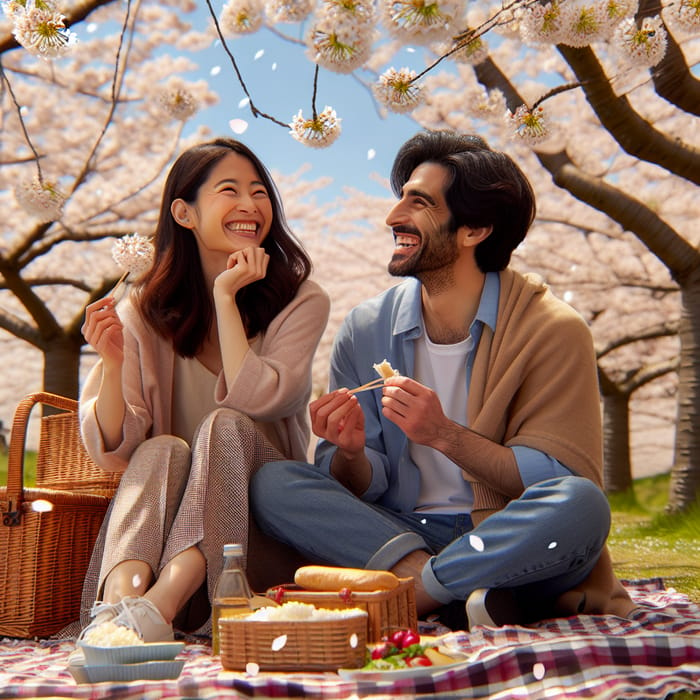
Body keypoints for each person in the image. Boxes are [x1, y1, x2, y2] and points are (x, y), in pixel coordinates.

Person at [251, 130, 636, 629]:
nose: (393, 218)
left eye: (419, 203)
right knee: (274, 483)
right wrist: (349, 453)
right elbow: (358, 487)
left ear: (474, 229)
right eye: (400, 200)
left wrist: (443, 435)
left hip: (507, 534)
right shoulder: (367, 328)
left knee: (581, 504)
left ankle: (409, 594)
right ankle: (457, 592)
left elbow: (555, 478)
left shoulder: (552, 330)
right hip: (397, 532)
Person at [77, 137, 330, 643]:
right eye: (229, 190)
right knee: (161, 448)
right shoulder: (142, 312)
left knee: (227, 426)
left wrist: (225, 300)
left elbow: (260, 400)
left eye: (259, 192)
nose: (250, 206)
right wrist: (110, 364)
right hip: (160, 542)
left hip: (254, 555)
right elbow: (114, 452)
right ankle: (121, 612)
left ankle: (156, 607)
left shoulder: (300, 299)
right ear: (184, 213)